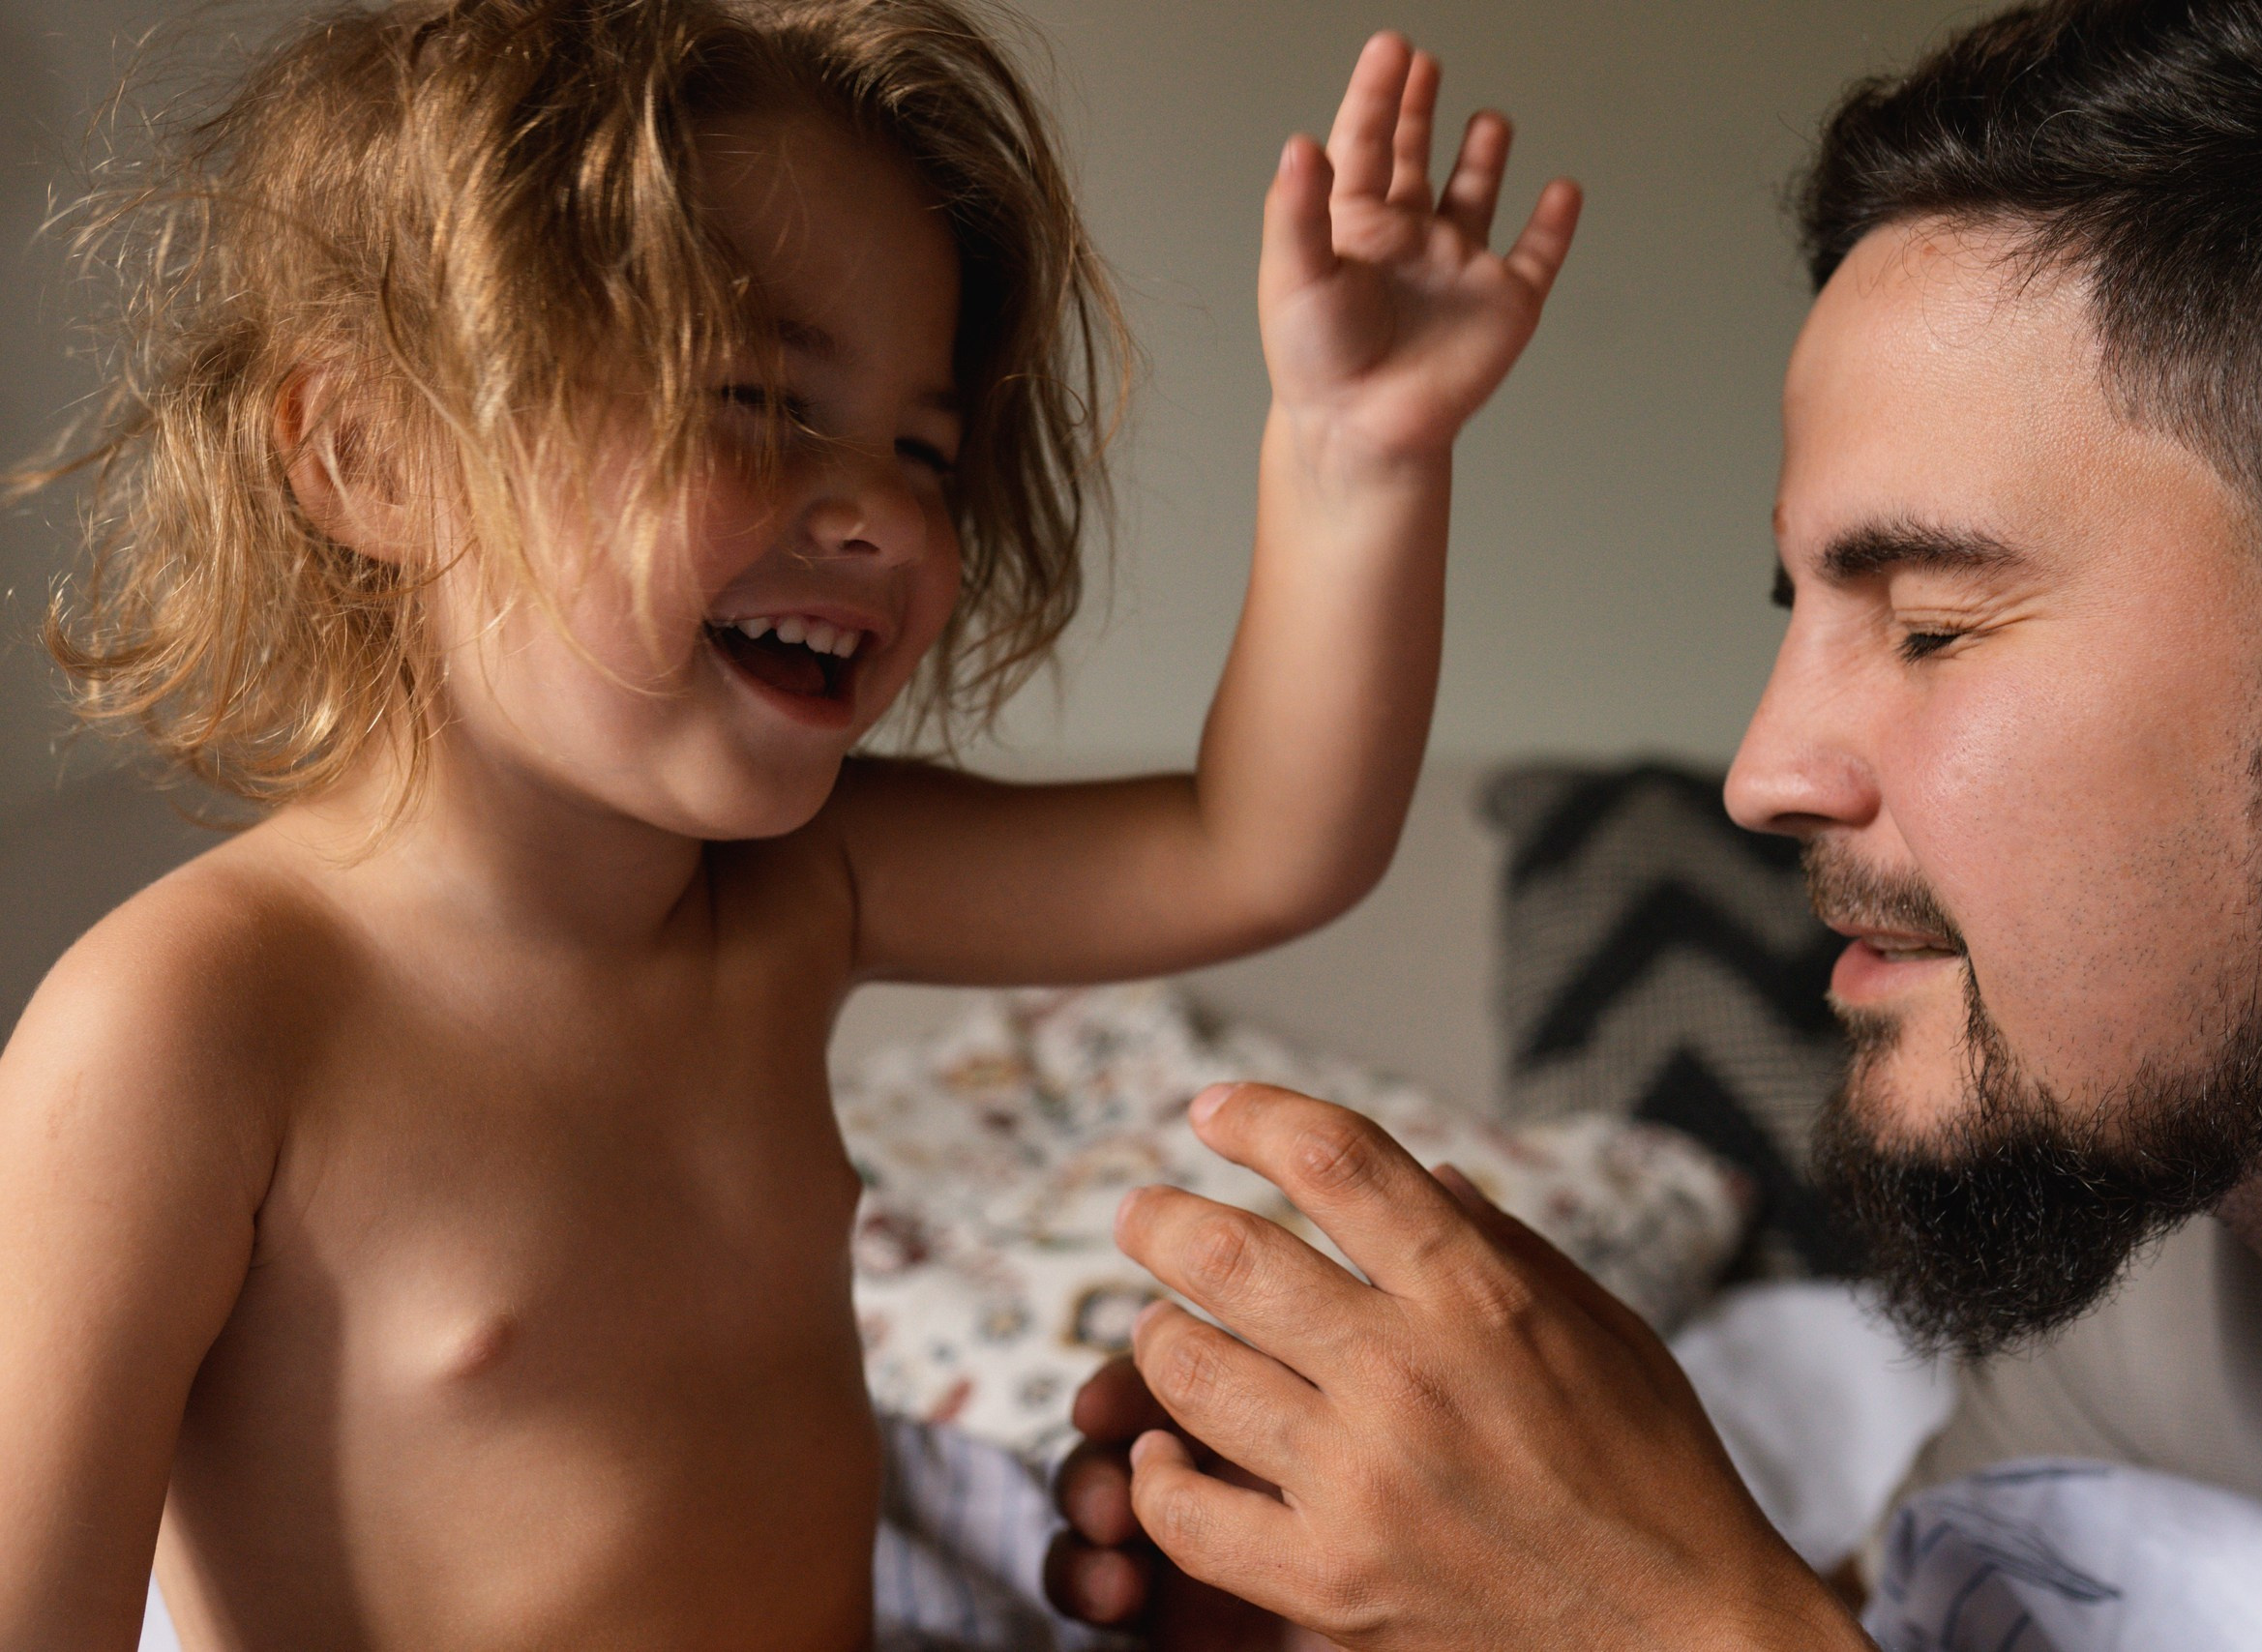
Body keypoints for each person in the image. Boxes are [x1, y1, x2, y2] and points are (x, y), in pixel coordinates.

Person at [0, 0, 1581, 1643]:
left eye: (924, 446)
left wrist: (1355, 452)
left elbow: (1263, 847)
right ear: (371, 451)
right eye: (755, 402)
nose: (888, 510)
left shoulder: (786, 892)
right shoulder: (188, 1028)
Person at [1046, 0, 2262, 1645]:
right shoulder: (2147, 1261)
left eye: (1933, 624)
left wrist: (1675, 1623)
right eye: (1794, 609)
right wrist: (1428, 1597)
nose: (1763, 773)